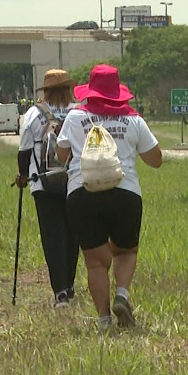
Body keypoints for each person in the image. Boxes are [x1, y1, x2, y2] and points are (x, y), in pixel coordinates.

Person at [55, 64, 162, 330]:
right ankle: (122, 294)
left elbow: (60, 155)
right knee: (125, 250)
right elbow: (155, 160)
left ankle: (104, 320)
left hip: (82, 193)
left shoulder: (75, 117)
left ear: (89, 91)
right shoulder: (133, 119)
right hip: (125, 193)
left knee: (95, 262)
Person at [15, 69, 81, 307]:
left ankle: (60, 291)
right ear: (68, 88)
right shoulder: (79, 111)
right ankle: (70, 284)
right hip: (75, 180)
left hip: (42, 182)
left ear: (46, 90)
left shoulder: (34, 113)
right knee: (73, 234)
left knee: (52, 236)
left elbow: (24, 151)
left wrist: (23, 175)